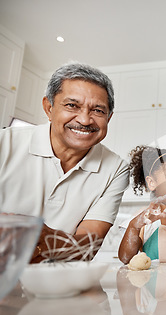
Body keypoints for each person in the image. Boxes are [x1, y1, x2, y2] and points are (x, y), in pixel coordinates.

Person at [0, 62, 129, 263]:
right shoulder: (4, 143)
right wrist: (58, 244)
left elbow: (88, 246)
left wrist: (42, 239)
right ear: (48, 108)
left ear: (109, 118)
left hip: (57, 286)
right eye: (72, 105)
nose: (85, 120)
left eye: (98, 110)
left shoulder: (117, 168)